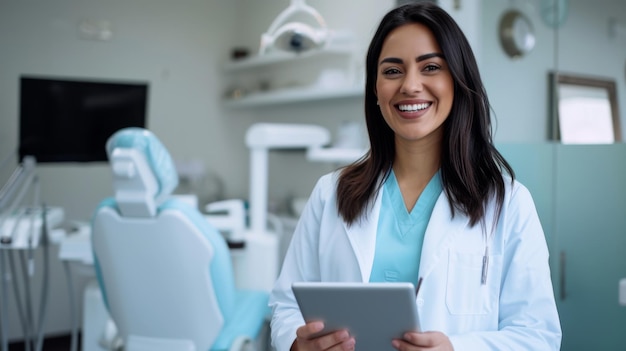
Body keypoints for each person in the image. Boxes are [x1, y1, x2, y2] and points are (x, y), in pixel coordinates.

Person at [268, 2, 562, 351]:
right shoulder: (330, 194)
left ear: (457, 80)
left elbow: (537, 336)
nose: (410, 85)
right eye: (392, 71)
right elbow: (285, 307)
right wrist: (298, 345)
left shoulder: (507, 202)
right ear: (375, 89)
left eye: (431, 67)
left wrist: (457, 349)